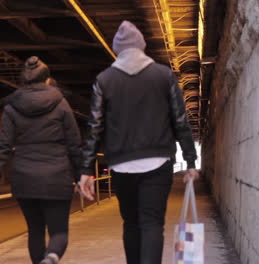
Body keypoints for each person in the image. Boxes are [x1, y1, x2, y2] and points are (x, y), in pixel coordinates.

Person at [79, 20, 200, 264]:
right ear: (142, 46)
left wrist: (85, 171)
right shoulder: (163, 75)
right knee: (152, 223)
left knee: (131, 223)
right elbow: (179, 119)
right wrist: (190, 159)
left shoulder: (104, 80)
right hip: (157, 162)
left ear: (117, 50)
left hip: (122, 165)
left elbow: (95, 127)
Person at [0, 56, 82, 264]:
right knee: (59, 232)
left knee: (35, 231)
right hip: (57, 177)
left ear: (24, 81)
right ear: (47, 80)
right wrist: (82, 176)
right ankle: (53, 256)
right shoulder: (62, 104)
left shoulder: (11, 108)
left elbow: (3, 145)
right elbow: (75, 144)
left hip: (25, 178)